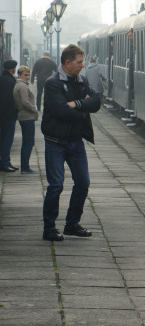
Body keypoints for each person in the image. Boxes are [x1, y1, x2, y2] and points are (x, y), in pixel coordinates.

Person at [40, 44, 102, 242]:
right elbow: (61, 111)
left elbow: (97, 102)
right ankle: (49, 228)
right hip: (55, 142)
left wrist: (77, 104)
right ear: (67, 63)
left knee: (83, 183)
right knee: (56, 185)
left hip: (75, 142)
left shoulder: (81, 81)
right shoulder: (52, 84)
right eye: (79, 62)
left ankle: (72, 224)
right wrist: (83, 108)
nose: (82, 66)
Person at [13, 65, 39, 173]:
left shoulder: (18, 85)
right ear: (19, 75)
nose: (27, 77)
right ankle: (25, 167)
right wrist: (35, 109)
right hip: (26, 116)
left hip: (24, 116)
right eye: (25, 75)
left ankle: (25, 166)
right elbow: (25, 102)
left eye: (28, 74)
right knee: (28, 142)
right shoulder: (22, 86)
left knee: (27, 142)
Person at [0, 59, 18, 172]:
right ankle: (5, 163)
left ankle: (6, 161)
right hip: (8, 116)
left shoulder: (3, 78)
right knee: (7, 140)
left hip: (5, 115)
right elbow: (6, 100)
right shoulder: (9, 81)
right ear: (13, 69)